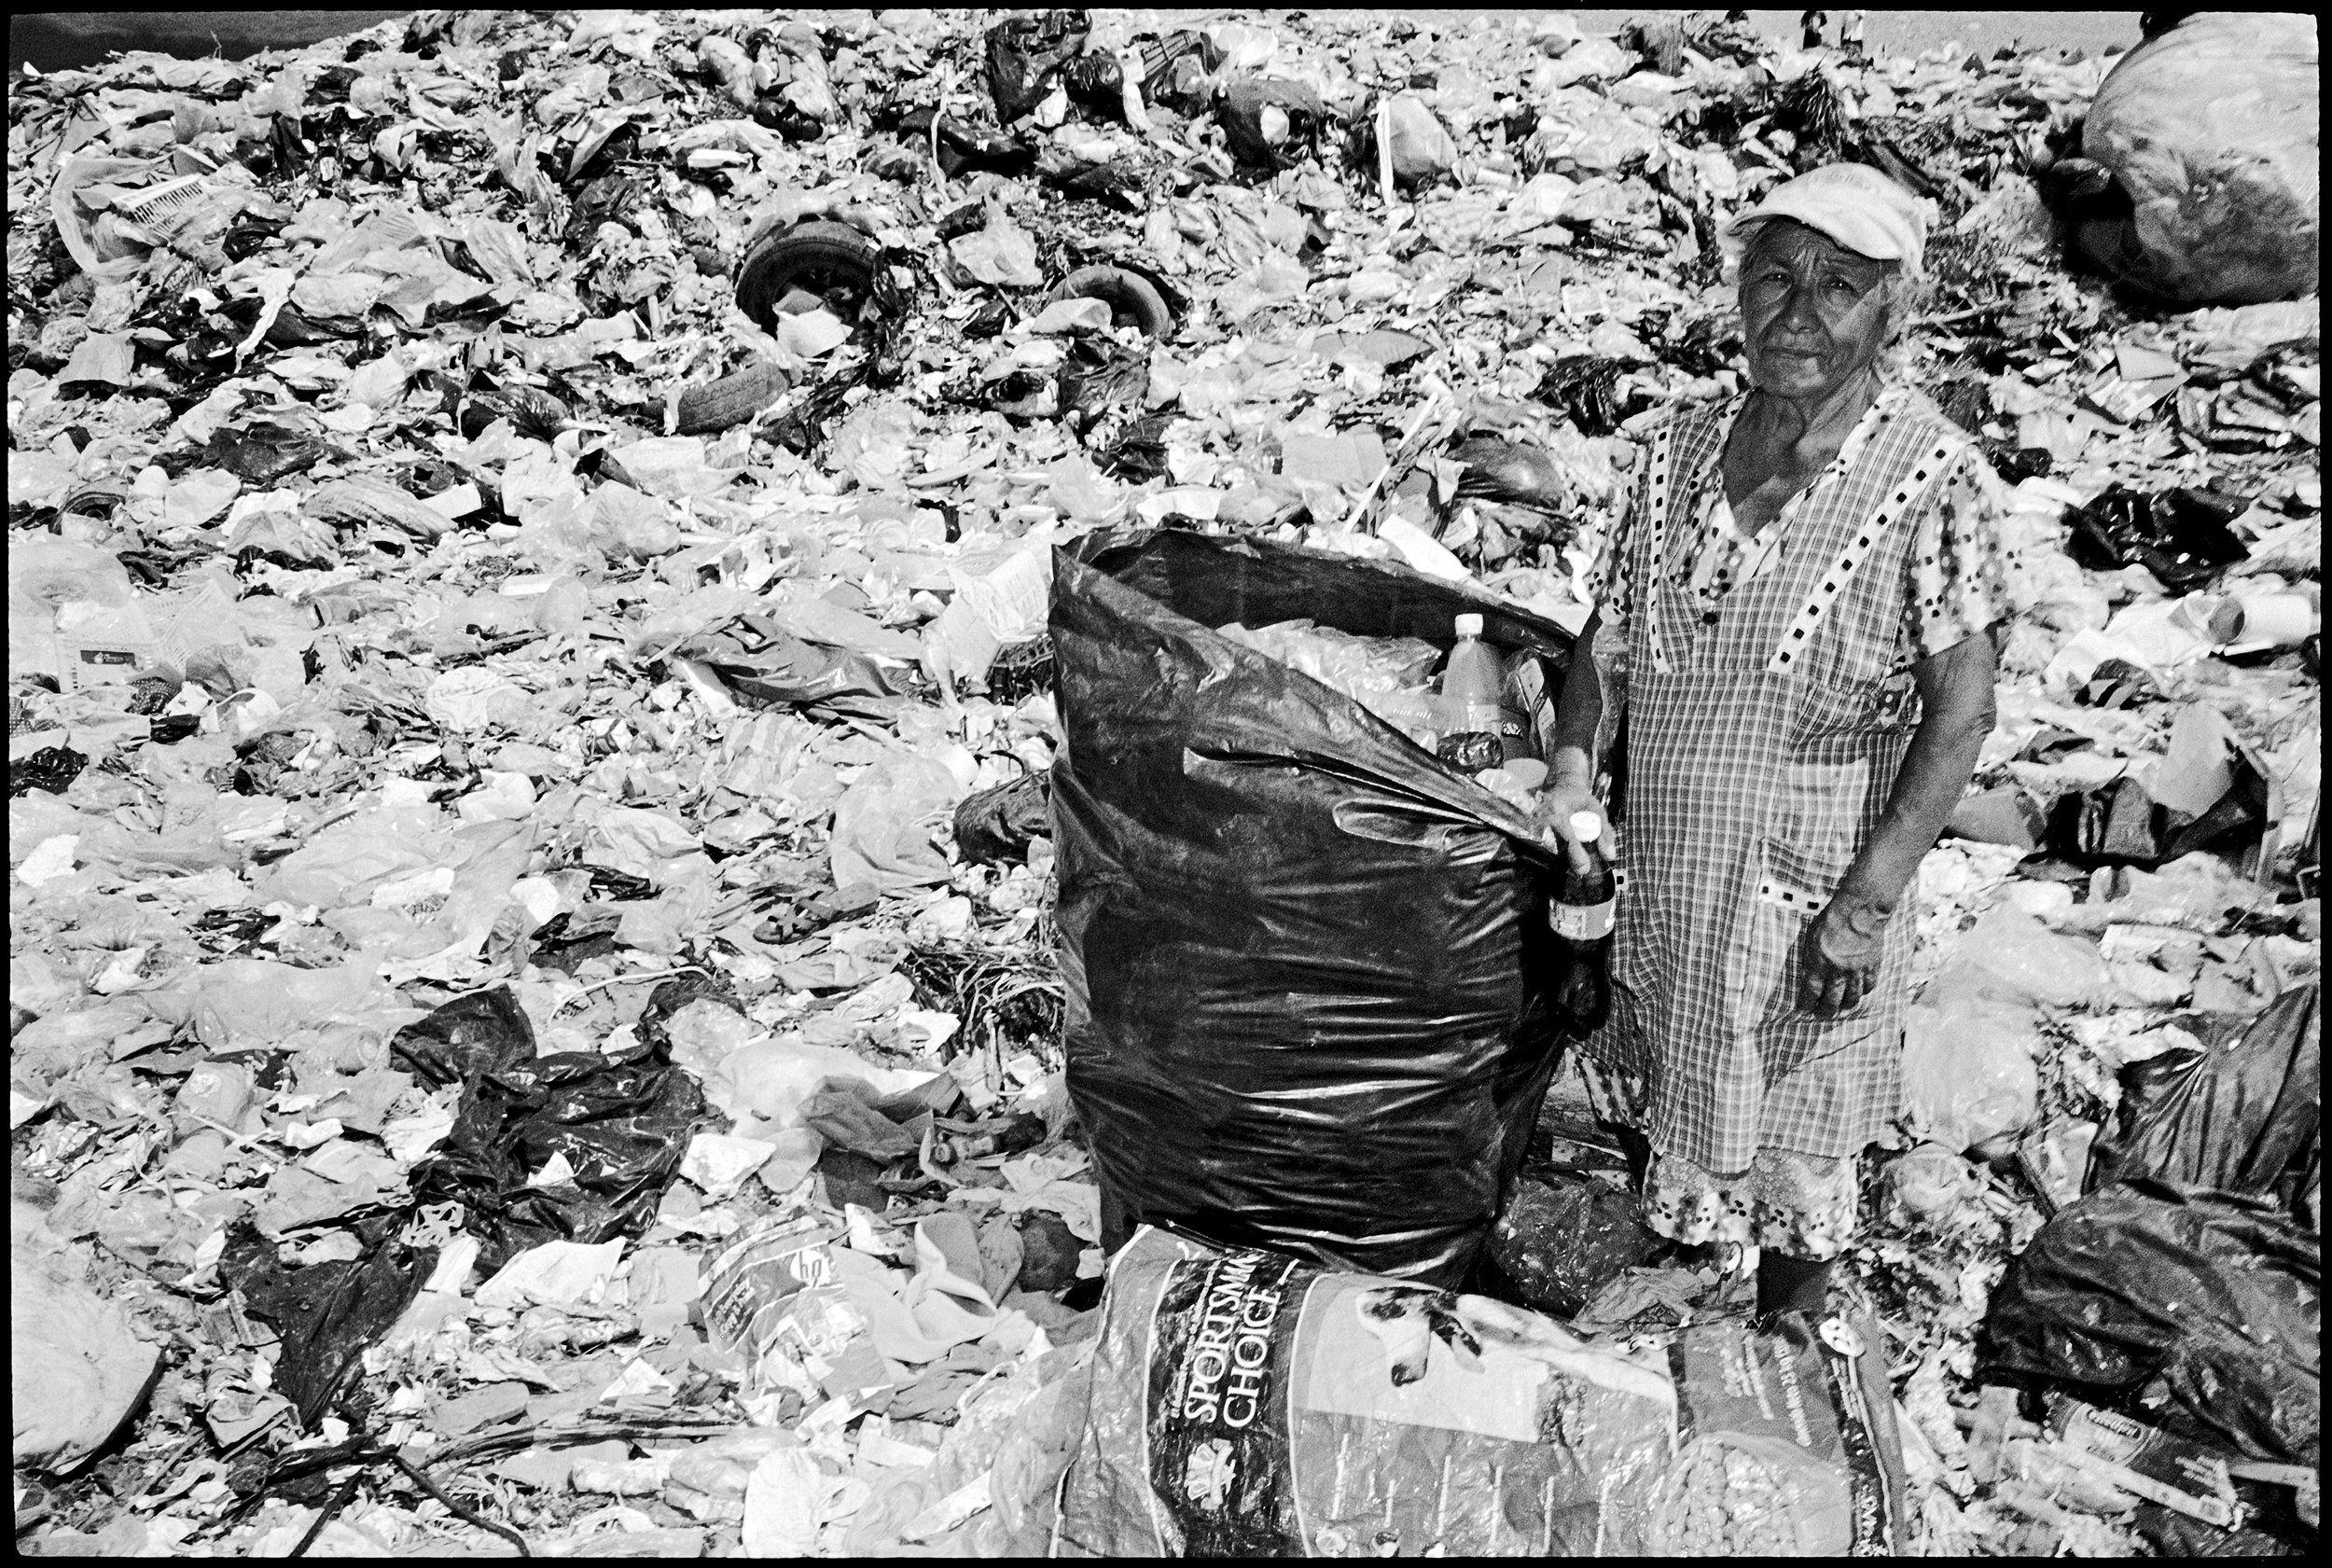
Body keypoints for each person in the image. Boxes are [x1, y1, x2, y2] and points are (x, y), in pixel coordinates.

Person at [1537, 163, 2018, 1324]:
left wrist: (1865, 905)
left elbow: (1960, 717)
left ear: (1890, 310)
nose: (1798, 312)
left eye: (1838, 285)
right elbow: (1611, 633)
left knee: (1797, 1139)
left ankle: (1790, 1348)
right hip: (1672, 871)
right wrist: (1568, 763)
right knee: (1674, 1101)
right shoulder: (1675, 448)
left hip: (1805, 891)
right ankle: (1692, 1324)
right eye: (1773, 278)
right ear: (1736, 294)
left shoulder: (1935, 482)